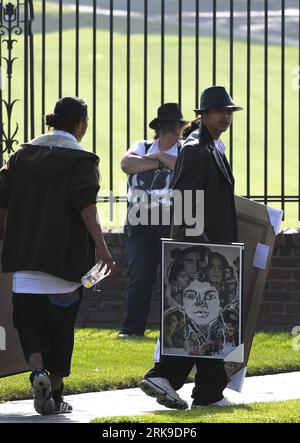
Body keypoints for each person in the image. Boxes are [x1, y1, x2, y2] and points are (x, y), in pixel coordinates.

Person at [0, 96, 115, 415]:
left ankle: (37, 373)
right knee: (61, 332)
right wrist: (102, 247)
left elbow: (2, 199)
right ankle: (56, 390)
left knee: (30, 326)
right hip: (65, 267)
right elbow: (86, 208)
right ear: (81, 124)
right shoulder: (82, 162)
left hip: (24, 265)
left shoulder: (21, 157)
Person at [140, 86, 243, 409]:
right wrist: (197, 254)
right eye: (219, 112)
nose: (225, 117)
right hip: (202, 251)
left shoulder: (209, 145)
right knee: (201, 319)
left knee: (208, 321)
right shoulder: (196, 148)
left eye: (228, 112)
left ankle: (206, 390)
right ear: (203, 115)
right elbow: (185, 202)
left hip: (211, 250)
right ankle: (170, 377)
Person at [119, 103, 187, 338]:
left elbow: (183, 169)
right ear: (160, 128)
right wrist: (160, 161)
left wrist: (154, 159)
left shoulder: (184, 150)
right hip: (139, 222)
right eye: (171, 127)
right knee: (140, 276)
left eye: (179, 125)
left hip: (172, 222)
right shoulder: (141, 146)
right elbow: (127, 164)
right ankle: (131, 329)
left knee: (175, 279)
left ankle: (173, 332)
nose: (176, 131)